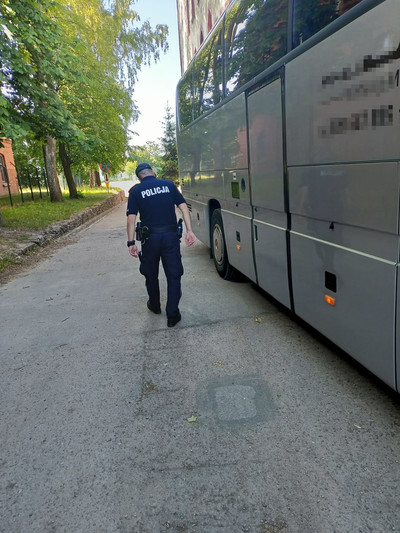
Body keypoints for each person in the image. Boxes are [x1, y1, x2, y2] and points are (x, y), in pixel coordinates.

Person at [126, 163, 196, 327]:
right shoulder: (169, 185)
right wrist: (189, 230)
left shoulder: (136, 191)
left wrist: (131, 242)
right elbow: (184, 207)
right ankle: (172, 314)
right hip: (171, 237)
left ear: (139, 177)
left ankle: (155, 305)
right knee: (174, 274)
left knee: (150, 273)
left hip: (150, 239)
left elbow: (131, 218)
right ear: (153, 172)